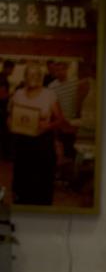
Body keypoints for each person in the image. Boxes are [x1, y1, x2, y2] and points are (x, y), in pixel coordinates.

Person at [7, 61, 65, 205]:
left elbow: (60, 120)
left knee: (41, 183)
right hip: (22, 144)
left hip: (42, 144)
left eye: (36, 74)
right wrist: (10, 123)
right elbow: (10, 116)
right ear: (25, 76)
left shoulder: (49, 94)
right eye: (30, 74)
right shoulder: (18, 94)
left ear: (41, 76)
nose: (33, 76)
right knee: (22, 182)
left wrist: (47, 125)